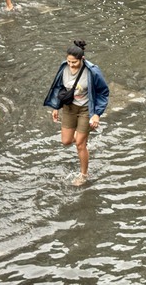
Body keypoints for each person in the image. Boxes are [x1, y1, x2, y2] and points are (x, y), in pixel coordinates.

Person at [44, 40, 110, 186]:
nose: (71, 65)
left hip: (87, 109)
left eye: (74, 62)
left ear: (82, 59)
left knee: (80, 144)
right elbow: (59, 88)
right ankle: (82, 135)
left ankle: (83, 175)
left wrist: (96, 114)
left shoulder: (92, 71)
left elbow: (104, 93)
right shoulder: (64, 68)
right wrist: (56, 107)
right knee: (66, 141)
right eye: (69, 61)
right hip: (69, 108)